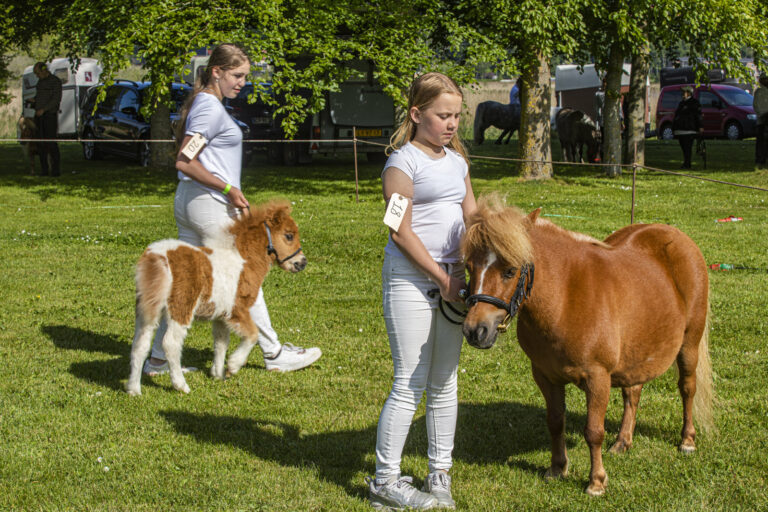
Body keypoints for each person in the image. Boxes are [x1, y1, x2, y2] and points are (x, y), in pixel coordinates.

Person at [142, 43, 321, 378]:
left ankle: (157, 359)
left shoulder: (203, 104)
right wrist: (229, 188)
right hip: (208, 205)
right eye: (237, 75)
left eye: (245, 76)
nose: (242, 82)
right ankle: (274, 352)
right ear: (217, 71)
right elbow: (185, 159)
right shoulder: (209, 108)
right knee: (247, 274)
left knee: (185, 282)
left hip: (190, 201)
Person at [366, 72, 476, 510]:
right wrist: (443, 278)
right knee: (409, 383)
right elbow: (399, 232)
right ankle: (385, 481)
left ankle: (439, 473)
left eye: (456, 116)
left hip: (453, 283)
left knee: (445, 381)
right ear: (416, 114)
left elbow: (473, 218)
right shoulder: (401, 163)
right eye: (442, 115)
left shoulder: (458, 163)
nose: (451, 124)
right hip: (412, 282)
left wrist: (473, 269)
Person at [31, 62, 62, 177]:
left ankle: (55, 170)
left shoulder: (55, 81)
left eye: (38, 73)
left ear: (44, 70)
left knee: (51, 143)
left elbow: (56, 99)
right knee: (40, 144)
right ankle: (44, 170)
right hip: (39, 116)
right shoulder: (40, 82)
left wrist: (44, 109)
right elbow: (39, 97)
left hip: (50, 116)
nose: (37, 76)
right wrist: (34, 100)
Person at [672, 85, 703, 169]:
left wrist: (700, 126)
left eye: (684, 92)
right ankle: (686, 162)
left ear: (689, 93)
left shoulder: (694, 103)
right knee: (684, 148)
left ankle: (687, 163)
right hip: (680, 130)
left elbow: (698, 115)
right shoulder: (681, 103)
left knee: (688, 148)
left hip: (690, 130)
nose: (682, 94)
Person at [752, 73, 768, 168]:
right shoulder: (759, 92)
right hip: (762, 120)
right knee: (761, 141)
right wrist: (762, 114)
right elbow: (756, 106)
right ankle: (760, 158)